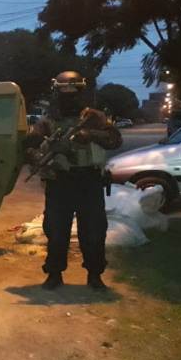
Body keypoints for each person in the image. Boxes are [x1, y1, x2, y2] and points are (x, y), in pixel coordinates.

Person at [24, 71, 122, 290]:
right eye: (64, 93)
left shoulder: (95, 117)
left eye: (73, 93)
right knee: (56, 231)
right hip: (60, 181)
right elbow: (29, 145)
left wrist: (91, 135)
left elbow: (115, 139)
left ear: (81, 93)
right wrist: (38, 156)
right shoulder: (48, 121)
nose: (69, 98)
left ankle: (95, 274)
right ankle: (54, 273)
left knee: (94, 232)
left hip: (89, 180)